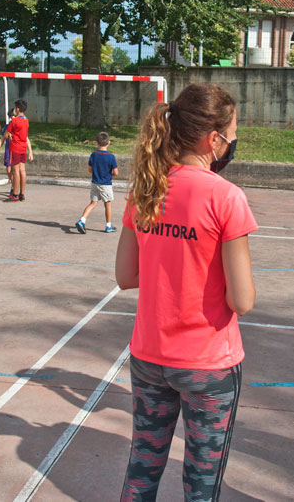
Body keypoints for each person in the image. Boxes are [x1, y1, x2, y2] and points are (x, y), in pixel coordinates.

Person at [114, 83, 257, 501]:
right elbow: (242, 300)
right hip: (207, 363)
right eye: (231, 136)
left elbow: (125, 275)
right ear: (213, 140)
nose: (232, 144)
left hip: (149, 354)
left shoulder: (146, 187)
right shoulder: (225, 197)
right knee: (201, 482)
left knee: (142, 464)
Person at [75, 131, 118, 234]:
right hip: (106, 184)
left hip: (95, 183)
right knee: (107, 204)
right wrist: (110, 176)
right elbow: (116, 172)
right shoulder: (111, 157)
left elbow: (90, 169)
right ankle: (108, 225)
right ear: (108, 143)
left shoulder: (93, 155)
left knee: (93, 203)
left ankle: (82, 220)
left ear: (96, 143)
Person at [0, 99, 33, 201]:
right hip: (23, 147)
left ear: (17, 109)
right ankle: (22, 194)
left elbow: (5, 134)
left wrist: (9, 134)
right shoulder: (26, 120)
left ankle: (15, 194)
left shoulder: (14, 121)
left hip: (15, 147)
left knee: (15, 171)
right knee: (22, 170)